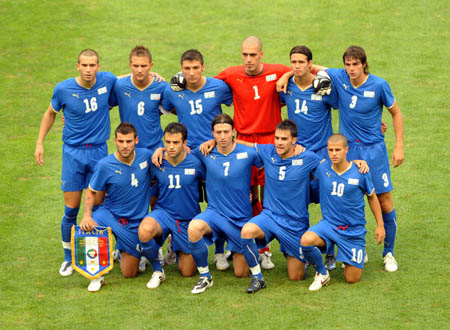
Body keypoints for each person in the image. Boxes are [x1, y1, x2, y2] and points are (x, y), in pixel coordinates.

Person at [277, 46, 403, 272]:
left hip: (374, 151)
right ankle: (356, 246)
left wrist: (399, 147)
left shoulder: (379, 85)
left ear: (364, 64)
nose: (351, 69)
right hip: (348, 151)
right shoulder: (339, 77)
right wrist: (287, 74)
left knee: (384, 200)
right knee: (345, 198)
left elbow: (396, 113)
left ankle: (388, 252)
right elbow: (311, 67)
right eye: (348, 64)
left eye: (356, 64)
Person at [34, 49, 117, 277]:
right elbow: (50, 113)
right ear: (77, 66)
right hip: (73, 154)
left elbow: (131, 85)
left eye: (93, 65)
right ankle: (68, 258)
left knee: (99, 207)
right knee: (71, 209)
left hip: (99, 152)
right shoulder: (63, 89)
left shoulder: (108, 81)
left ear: (99, 66)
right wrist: (40, 143)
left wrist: (156, 75)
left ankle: (100, 254)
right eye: (84, 65)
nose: (89, 70)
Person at [215, 36, 291, 268]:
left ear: (261, 55)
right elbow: (202, 84)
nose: (248, 59)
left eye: (252, 55)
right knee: (245, 196)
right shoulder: (231, 74)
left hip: (270, 142)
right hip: (243, 142)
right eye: (244, 55)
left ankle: (266, 249)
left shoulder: (278, 71)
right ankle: (237, 245)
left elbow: (308, 69)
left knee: (271, 196)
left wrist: (287, 76)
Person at [161, 49, 233, 270]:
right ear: (181, 70)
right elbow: (166, 111)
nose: (191, 73)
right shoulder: (173, 91)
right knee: (182, 198)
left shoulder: (219, 87)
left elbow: (235, 109)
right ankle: (176, 241)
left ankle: (220, 251)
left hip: (215, 154)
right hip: (187, 156)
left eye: (195, 68)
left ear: (203, 67)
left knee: (217, 202)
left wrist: (216, 139)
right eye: (187, 69)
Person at [239, 120, 322, 293]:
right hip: (269, 217)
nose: (279, 142)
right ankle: (258, 278)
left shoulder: (307, 157)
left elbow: (331, 168)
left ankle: (305, 253)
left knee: (296, 276)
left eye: (284, 139)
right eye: (277, 138)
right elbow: (242, 144)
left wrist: (357, 163)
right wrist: (214, 142)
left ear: (294, 140)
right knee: (247, 231)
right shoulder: (268, 151)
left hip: (294, 224)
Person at [187, 114, 262, 294]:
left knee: (241, 272)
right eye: (218, 132)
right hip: (214, 214)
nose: (222, 136)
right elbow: (181, 154)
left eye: (226, 132)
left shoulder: (249, 153)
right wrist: (159, 152)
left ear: (233, 132)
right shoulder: (204, 152)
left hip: (240, 218)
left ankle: (258, 276)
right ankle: (205, 277)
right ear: (212, 133)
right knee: (194, 227)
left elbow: (272, 157)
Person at [278, 45, 338, 271]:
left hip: (322, 154)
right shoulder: (287, 85)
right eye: (293, 62)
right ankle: (301, 246)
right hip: (298, 155)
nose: (296, 66)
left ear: (310, 63)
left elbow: (343, 98)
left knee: (328, 204)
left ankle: (330, 250)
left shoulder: (322, 86)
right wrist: (285, 74)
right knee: (298, 203)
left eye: (301, 62)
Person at [300, 134, 385, 291]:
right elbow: (299, 153)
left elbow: (372, 198)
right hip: (329, 226)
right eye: (330, 150)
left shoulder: (360, 171)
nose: (334, 153)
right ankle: (322, 273)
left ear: (346, 150)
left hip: (353, 231)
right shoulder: (322, 168)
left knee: (352, 279)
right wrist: (298, 148)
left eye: (337, 150)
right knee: (306, 240)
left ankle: (351, 255)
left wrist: (380, 225)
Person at [80, 122, 157, 292]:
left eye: (128, 141)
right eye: (121, 141)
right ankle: (96, 277)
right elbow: (91, 192)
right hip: (111, 216)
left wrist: (161, 151)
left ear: (136, 140)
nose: (124, 146)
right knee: (91, 223)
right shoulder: (104, 165)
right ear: (115, 141)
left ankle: (123, 248)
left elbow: (164, 162)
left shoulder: (146, 156)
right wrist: (86, 215)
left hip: (136, 223)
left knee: (129, 273)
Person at [138, 123, 205, 289]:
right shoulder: (157, 162)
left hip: (187, 220)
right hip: (164, 214)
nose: (171, 147)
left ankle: (174, 247)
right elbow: (152, 189)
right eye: (167, 142)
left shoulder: (196, 163)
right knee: (145, 230)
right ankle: (157, 270)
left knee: (187, 271)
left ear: (185, 143)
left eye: (175, 142)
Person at [111, 45, 168, 152]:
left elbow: (169, 108)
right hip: (129, 148)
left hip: (155, 148)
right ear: (130, 65)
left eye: (144, 66)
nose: (140, 70)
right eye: (135, 66)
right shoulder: (120, 86)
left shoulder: (161, 86)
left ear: (151, 65)